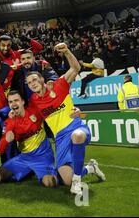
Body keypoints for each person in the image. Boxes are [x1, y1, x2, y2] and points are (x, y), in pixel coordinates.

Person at [26, 43, 106, 195]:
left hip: (75, 126)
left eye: (34, 80)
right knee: (66, 180)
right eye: (29, 83)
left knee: (78, 136)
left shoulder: (59, 85)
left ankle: (77, 181)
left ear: (42, 80)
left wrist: (67, 52)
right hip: (60, 138)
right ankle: (91, 168)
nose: (32, 84)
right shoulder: (34, 101)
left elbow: (75, 68)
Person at [0, 91, 57, 187]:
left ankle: (85, 169)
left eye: (16, 100)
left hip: (43, 157)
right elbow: (0, 150)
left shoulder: (35, 111)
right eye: (11, 102)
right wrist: (6, 140)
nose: (14, 104)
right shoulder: (9, 122)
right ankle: (28, 172)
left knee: (49, 183)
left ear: (23, 102)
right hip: (24, 158)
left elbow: (52, 105)